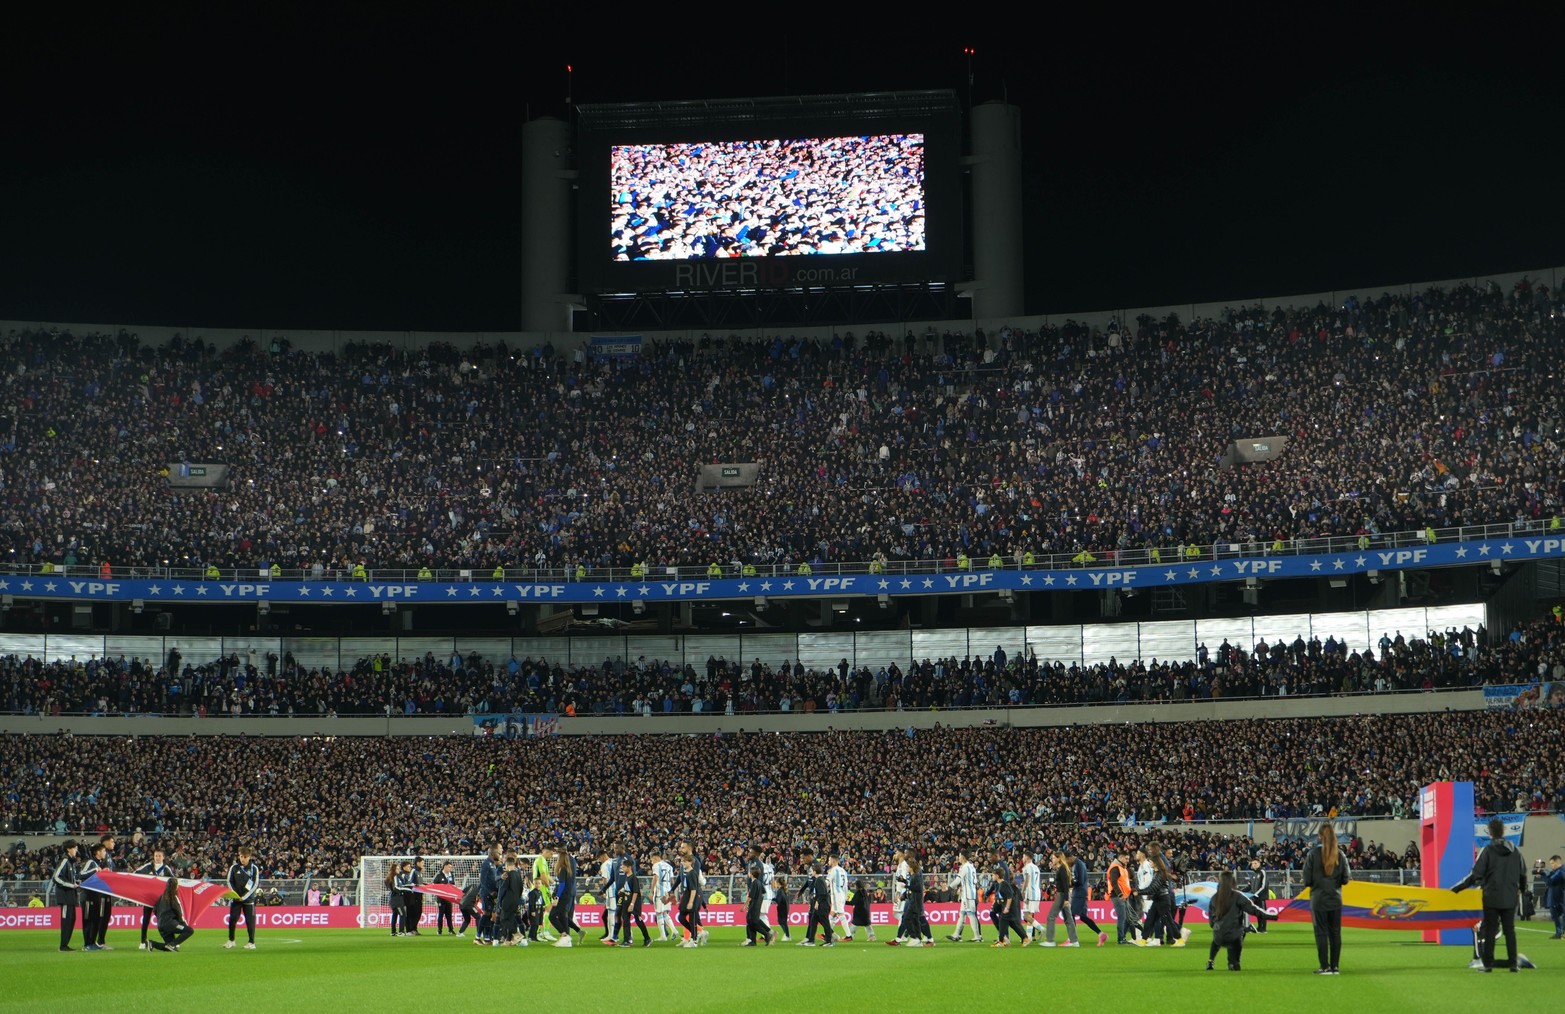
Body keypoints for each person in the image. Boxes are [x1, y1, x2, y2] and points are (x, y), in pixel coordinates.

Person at [1453, 816, 1528, 972]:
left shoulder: (1487, 850)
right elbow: (1523, 873)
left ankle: (1488, 964)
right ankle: (1513, 964)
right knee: (1510, 931)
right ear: (1504, 831)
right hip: (1510, 896)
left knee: (1489, 929)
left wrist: (1457, 888)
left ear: (1490, 833)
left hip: (1491, 896)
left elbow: (1475, 874)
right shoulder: (1515, 851)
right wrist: (1521, 889)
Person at [1302, 824, 1349, 974]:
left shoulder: (1313, 854)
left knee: (1321, 933)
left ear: (1320, 836)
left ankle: (1324, 966)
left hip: (1318, 899)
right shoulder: (1340, 855)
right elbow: (1346, 879)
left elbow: (1307, 879)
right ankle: (1335, 966)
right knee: (1335, 932)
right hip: (1335, 898)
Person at [1205, 871, 1267, 971]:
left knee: (1216, 941)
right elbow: (1251, 910)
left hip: (1219, 931)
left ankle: (1210, 961)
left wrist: (1214, 925)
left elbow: (1211, 917)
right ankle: (1233, 962)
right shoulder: (1236, 895)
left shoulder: (1215, 896)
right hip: (1233, 931)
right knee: (1236, 938)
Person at [136, 848, 175, 950]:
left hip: (161, 900)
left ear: (163, 857)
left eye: (159, 856)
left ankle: (170, 941)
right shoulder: (148, 866)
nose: (157, 858)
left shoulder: (166, 869)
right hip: (148, 898)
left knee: (164, 921)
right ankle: (143, 941)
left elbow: (173, 882)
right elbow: (136, 873)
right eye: (156, 856)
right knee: (146, 919)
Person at [1069, 849, 1108, 946]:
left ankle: (1072, 939)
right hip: (1080, 892)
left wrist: (1070, 882)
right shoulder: (1076, 864)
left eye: (1066, 860)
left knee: (1071, 914)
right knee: (1083, 917)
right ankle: (1101, 934)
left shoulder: (1078, 864)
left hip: (1079, 893)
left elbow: (1080, 880)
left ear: (1070, 857)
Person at [78, 842, 112, 951]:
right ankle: (87, 944)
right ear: (98, 852)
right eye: (103, 851)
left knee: (96, 920)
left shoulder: (99, 864)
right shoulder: (91, 862)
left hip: (95, 896)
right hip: (87, 896)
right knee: (88, 920)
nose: (104, 853)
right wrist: (96, 871)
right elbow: (81, 874)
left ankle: (93, 943)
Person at [226, 845, 260, 950]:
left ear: (249, 857)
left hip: (248, 900)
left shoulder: (254, 869)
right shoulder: (234, 867)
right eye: (241, 856)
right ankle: (231, 940)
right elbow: (229, 881)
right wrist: (235, 894)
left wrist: (245, 896)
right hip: (236, 899)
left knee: (250, 921)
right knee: (232, 920)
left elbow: (255, 884)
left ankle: (251, 942)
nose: (243, 859)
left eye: (245, 857)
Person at [1042, 851, 1079, 947]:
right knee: (1068, 919)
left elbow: (1065, 885)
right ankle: (1074, 940)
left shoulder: (1062, 869)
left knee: (1051, 916)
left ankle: (1050, 940)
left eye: (1054, 858)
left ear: (1058, 859)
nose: (1052, 859)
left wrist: (1066, 899)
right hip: (1063, 895)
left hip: (1062, 895)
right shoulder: (1062, 868)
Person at [149, 877, 195, 952]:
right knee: (189, 931)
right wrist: (183, 925)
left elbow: (155, 910)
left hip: (160, 925)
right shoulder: (173, 897)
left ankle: (152, 943)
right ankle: (172, 944)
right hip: (171, 924)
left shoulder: (162, 897)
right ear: (176, 886)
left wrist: (161, 918)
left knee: (170, 947)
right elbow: (179, 912)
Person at [52, 839, 81, 952]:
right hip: (65, 896)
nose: (76, 850)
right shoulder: (64, 860)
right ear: (68, 849)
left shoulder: (70, 862)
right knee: (66, 920)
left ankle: (65, 945)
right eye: (74, 848)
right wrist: (70, 885)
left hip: (70, 896)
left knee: (71, 919)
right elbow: (56, 877)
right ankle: (63, 945)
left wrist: (76, 883)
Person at [947, 849, 982, 942]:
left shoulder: (965, 867)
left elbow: (958, 879)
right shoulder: (971, 866)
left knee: (971, 915)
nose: (958, 858)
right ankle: (956, 934)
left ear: (962, 857)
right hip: (968, 894)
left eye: (959, 856)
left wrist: (950, 887)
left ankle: (977, 936)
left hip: (968, 895)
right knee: (962, 914)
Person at [677, 840, 706, 947]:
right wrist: (672, 889)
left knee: (692, 917)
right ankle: (697, 933)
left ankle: (693, 939)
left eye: (683, 847)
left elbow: (694, 885)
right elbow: (679, 878)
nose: (681, 849)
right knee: (682, 917)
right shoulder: (686, 868)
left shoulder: (694, 868)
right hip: (686, 893)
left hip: (692, 894)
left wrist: (691, 901)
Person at [990, 860, 1025, 947]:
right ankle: (1024, 938)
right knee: (1011, 924)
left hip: (1008, 907)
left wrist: (1007, 908)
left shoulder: (1003, 884)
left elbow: (1010, 897)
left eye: (993, 875)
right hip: (1006, 906)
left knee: (1003, 922)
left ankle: (1002, 941)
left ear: (997, 876)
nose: (992, 876)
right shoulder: (1001, 884)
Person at [799, 863, 834, 947]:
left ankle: (829, 941)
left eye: (812, 871)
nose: (811, 873)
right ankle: (811, 940)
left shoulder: (819, 880)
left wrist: (817, 902)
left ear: (815, 871)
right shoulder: (820, 879)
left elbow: (823, 893)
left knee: (825, 923)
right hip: (818, 905)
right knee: (813, 922)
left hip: (822, 905)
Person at [617, 859, 650, 947]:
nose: (622, 868)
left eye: (624, 867)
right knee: (626, 920)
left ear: (629, 867)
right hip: (626, 902)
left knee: (638, 920)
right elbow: (628, 888)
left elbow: (635, 892)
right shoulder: (627, 877)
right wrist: (622, 890)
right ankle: (627, 940)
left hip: (634, 903)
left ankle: (647, 938)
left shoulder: (633, 878)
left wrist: (632, 904)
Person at [1106, 851, 1135, 945]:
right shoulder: (1116, 868)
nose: (1128, 860)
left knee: (1124, 917)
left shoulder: (1120, 867)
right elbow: (1114, 882)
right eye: (1126, 858)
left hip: (1122, 896)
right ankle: (1121, 939)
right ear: (1121, 857)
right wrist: (1120, 894)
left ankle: (1123, 938)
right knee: (1122, 917)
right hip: (1118, 896)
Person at [495, 853, 523, 946]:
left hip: (507, 900)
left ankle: (516, 934)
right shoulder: (518, 875)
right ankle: (509, 940)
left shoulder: (507, 874)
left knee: (503, 919)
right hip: (516, 900)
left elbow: (503, 889)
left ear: (506, 865)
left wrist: (499, 901)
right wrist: (517, 898)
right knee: (511, 919)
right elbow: (521, 888)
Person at [650, 849, 678, 942]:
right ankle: (674, 930)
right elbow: (672, 880)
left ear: (656, 858)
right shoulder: (669, 866)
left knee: (659, 913)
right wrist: (672, 892)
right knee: (665, 913)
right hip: (667, 891)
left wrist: (651, 891)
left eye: (652, 860)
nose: (651, 862)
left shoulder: (656, 866)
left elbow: (656, 878)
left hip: (659, 892)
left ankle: (663, 936)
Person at [476, 845, 501, 945]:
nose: (499, 855)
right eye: (497, 853)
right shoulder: (486, 864)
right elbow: (482, 880)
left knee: (489, 914)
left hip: (492, 894)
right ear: (492, 854)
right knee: (486, 913)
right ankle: (477, 937)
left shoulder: (492, 864)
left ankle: (486, 938)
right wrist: (490, 891)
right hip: (486, 893)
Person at [742, 864, 772, 947]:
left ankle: (766, 934)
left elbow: (750, 897)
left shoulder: (754, 883)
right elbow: (763, 892)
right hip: (757, 905)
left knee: (752, 922)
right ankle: (753, 941)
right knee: (752, 922)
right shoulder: (759, 882)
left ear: (751, 874)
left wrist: (744, 906)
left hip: (753, 905)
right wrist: (760, 900)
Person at [827, 854, 852, 941]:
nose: (828, 862)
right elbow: (846, 885)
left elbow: (827, 882)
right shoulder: (843, 871)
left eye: (829, 860)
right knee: (832, 914)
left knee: (841, 914)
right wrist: (845, 896)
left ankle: (849, 935)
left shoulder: (833, 871)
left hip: (836, 896)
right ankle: (828, 933)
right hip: (842, 894)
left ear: (833, 861)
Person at [1019, 851, 1043, 944]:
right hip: (1037, 892)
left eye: (1023, 856)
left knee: (1026, 915)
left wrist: (1023, 890)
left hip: (1030, 893)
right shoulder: (1036, 867)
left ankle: (1040, 928)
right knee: (1029, 916)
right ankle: (1028, 938)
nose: (1022, 858)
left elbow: (1027, 879)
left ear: (1027, 857)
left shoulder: (1027, 868)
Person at [1242, 858, 1270, 934]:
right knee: (1258, 912)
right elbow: (1249, 887)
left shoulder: (1262, 872)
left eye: (1255, 863)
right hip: (1255, 897)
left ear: (1259, 864)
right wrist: (1240, 891)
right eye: (1252, 863)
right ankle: (1259, 927)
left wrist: (1256, 894)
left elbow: (1264, 886)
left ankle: (1263, 928)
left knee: (1262, 912)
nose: (1253, 865)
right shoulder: (1253, 874)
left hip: (1261, 897)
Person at [433, 860, 457, 936]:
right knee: (441, 914)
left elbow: (453, 884)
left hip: (449, 898)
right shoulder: (439, 875)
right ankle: (439, 930)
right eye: (449, 867)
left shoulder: (451, 874)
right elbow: (434, 885)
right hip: (441, 898)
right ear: (445, 866)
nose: (450, 868)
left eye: (451, 867)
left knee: (449, 915)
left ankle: (451, 930)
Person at [403, 856, 426, 935]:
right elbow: (409, 882)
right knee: (412, 913)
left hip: (419, 896)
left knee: (418, 913)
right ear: (418, 863)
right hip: (413, 896)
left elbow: (420, 884)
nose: (423, 864)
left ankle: (414, 929)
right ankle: (409, 930)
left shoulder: (420, 872)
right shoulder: (413, 871)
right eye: (422, 862)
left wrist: (427, 885)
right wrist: (418, 885)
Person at [850, 876, 876, 943]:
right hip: (866, 911)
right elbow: (869, 901)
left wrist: (844, 902)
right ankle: (872, 936)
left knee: (854, 925)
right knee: (867, 924)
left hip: (859, 912)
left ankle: (850, 936)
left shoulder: (858, 893)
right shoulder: (865, 892)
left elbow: (853, 902)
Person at [1545, 856, 1565, 940]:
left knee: (1558, 915)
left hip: (1559, 897)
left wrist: (1543, 875)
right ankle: (1560, 933)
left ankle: (1561, 933)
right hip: (1557, 897)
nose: (1551, 865)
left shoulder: (1560, 871)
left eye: (1552, 863)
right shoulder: (1557, 872)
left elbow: (1549, 882)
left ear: (1557, 862)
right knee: (1557, 915)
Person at [771, 872, 793, 942]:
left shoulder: (780, 891)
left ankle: (787, 935)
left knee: (782, 922)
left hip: (782, 908)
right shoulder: (783, 890)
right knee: (783, 922)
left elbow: (779, 900)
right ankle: (787, 934)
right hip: (785, 907)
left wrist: (772, 899)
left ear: (778, 883)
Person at [387, 863, 406, 937]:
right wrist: (405, 889)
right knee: (403, 914)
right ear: (394, 870)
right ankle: (401, 931)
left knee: (395, 914)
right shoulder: (395, 876)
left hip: (394, 899)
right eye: (397, 869)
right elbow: (396, 888)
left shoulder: (391, 877)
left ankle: (393, 932)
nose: (399, 870)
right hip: (397, 899)